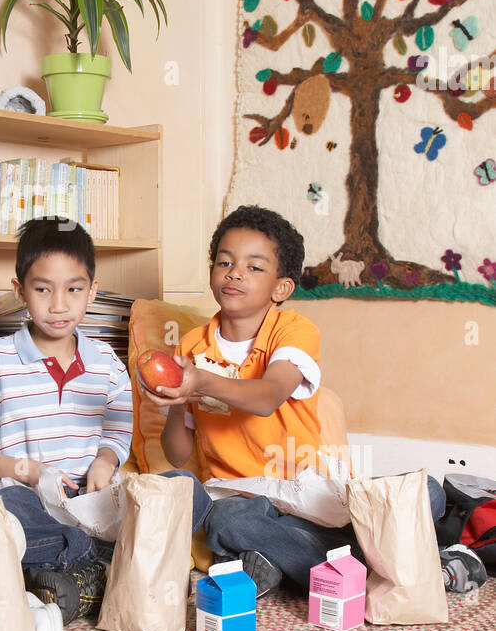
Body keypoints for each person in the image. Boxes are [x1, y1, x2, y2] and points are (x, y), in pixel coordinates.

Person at [140, 205, 483, 596]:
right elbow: (179, 453)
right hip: (244, 495)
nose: (234, 273)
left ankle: (302, 562)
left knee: (424, 491)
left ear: (281, 288)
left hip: (307, 485)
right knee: (226, 522)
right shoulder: (192, 345)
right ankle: (393, 565)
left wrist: (201, 380)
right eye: (224, 262)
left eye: (254, 267)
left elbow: (268, 397)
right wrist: (175, 403)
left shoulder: (293, 332)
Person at [0, 217, 210, 622]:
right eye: (43, 289)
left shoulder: (106, 363)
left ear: (92, 291)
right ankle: (104, 567)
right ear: (19, 292)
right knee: (4, 511)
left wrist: (104, 462)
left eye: (74, 289)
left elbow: (118, 430)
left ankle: (76, 573)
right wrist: (26, 471)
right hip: (27, 502)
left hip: (93, 504)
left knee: (185, 489)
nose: (59, 304)